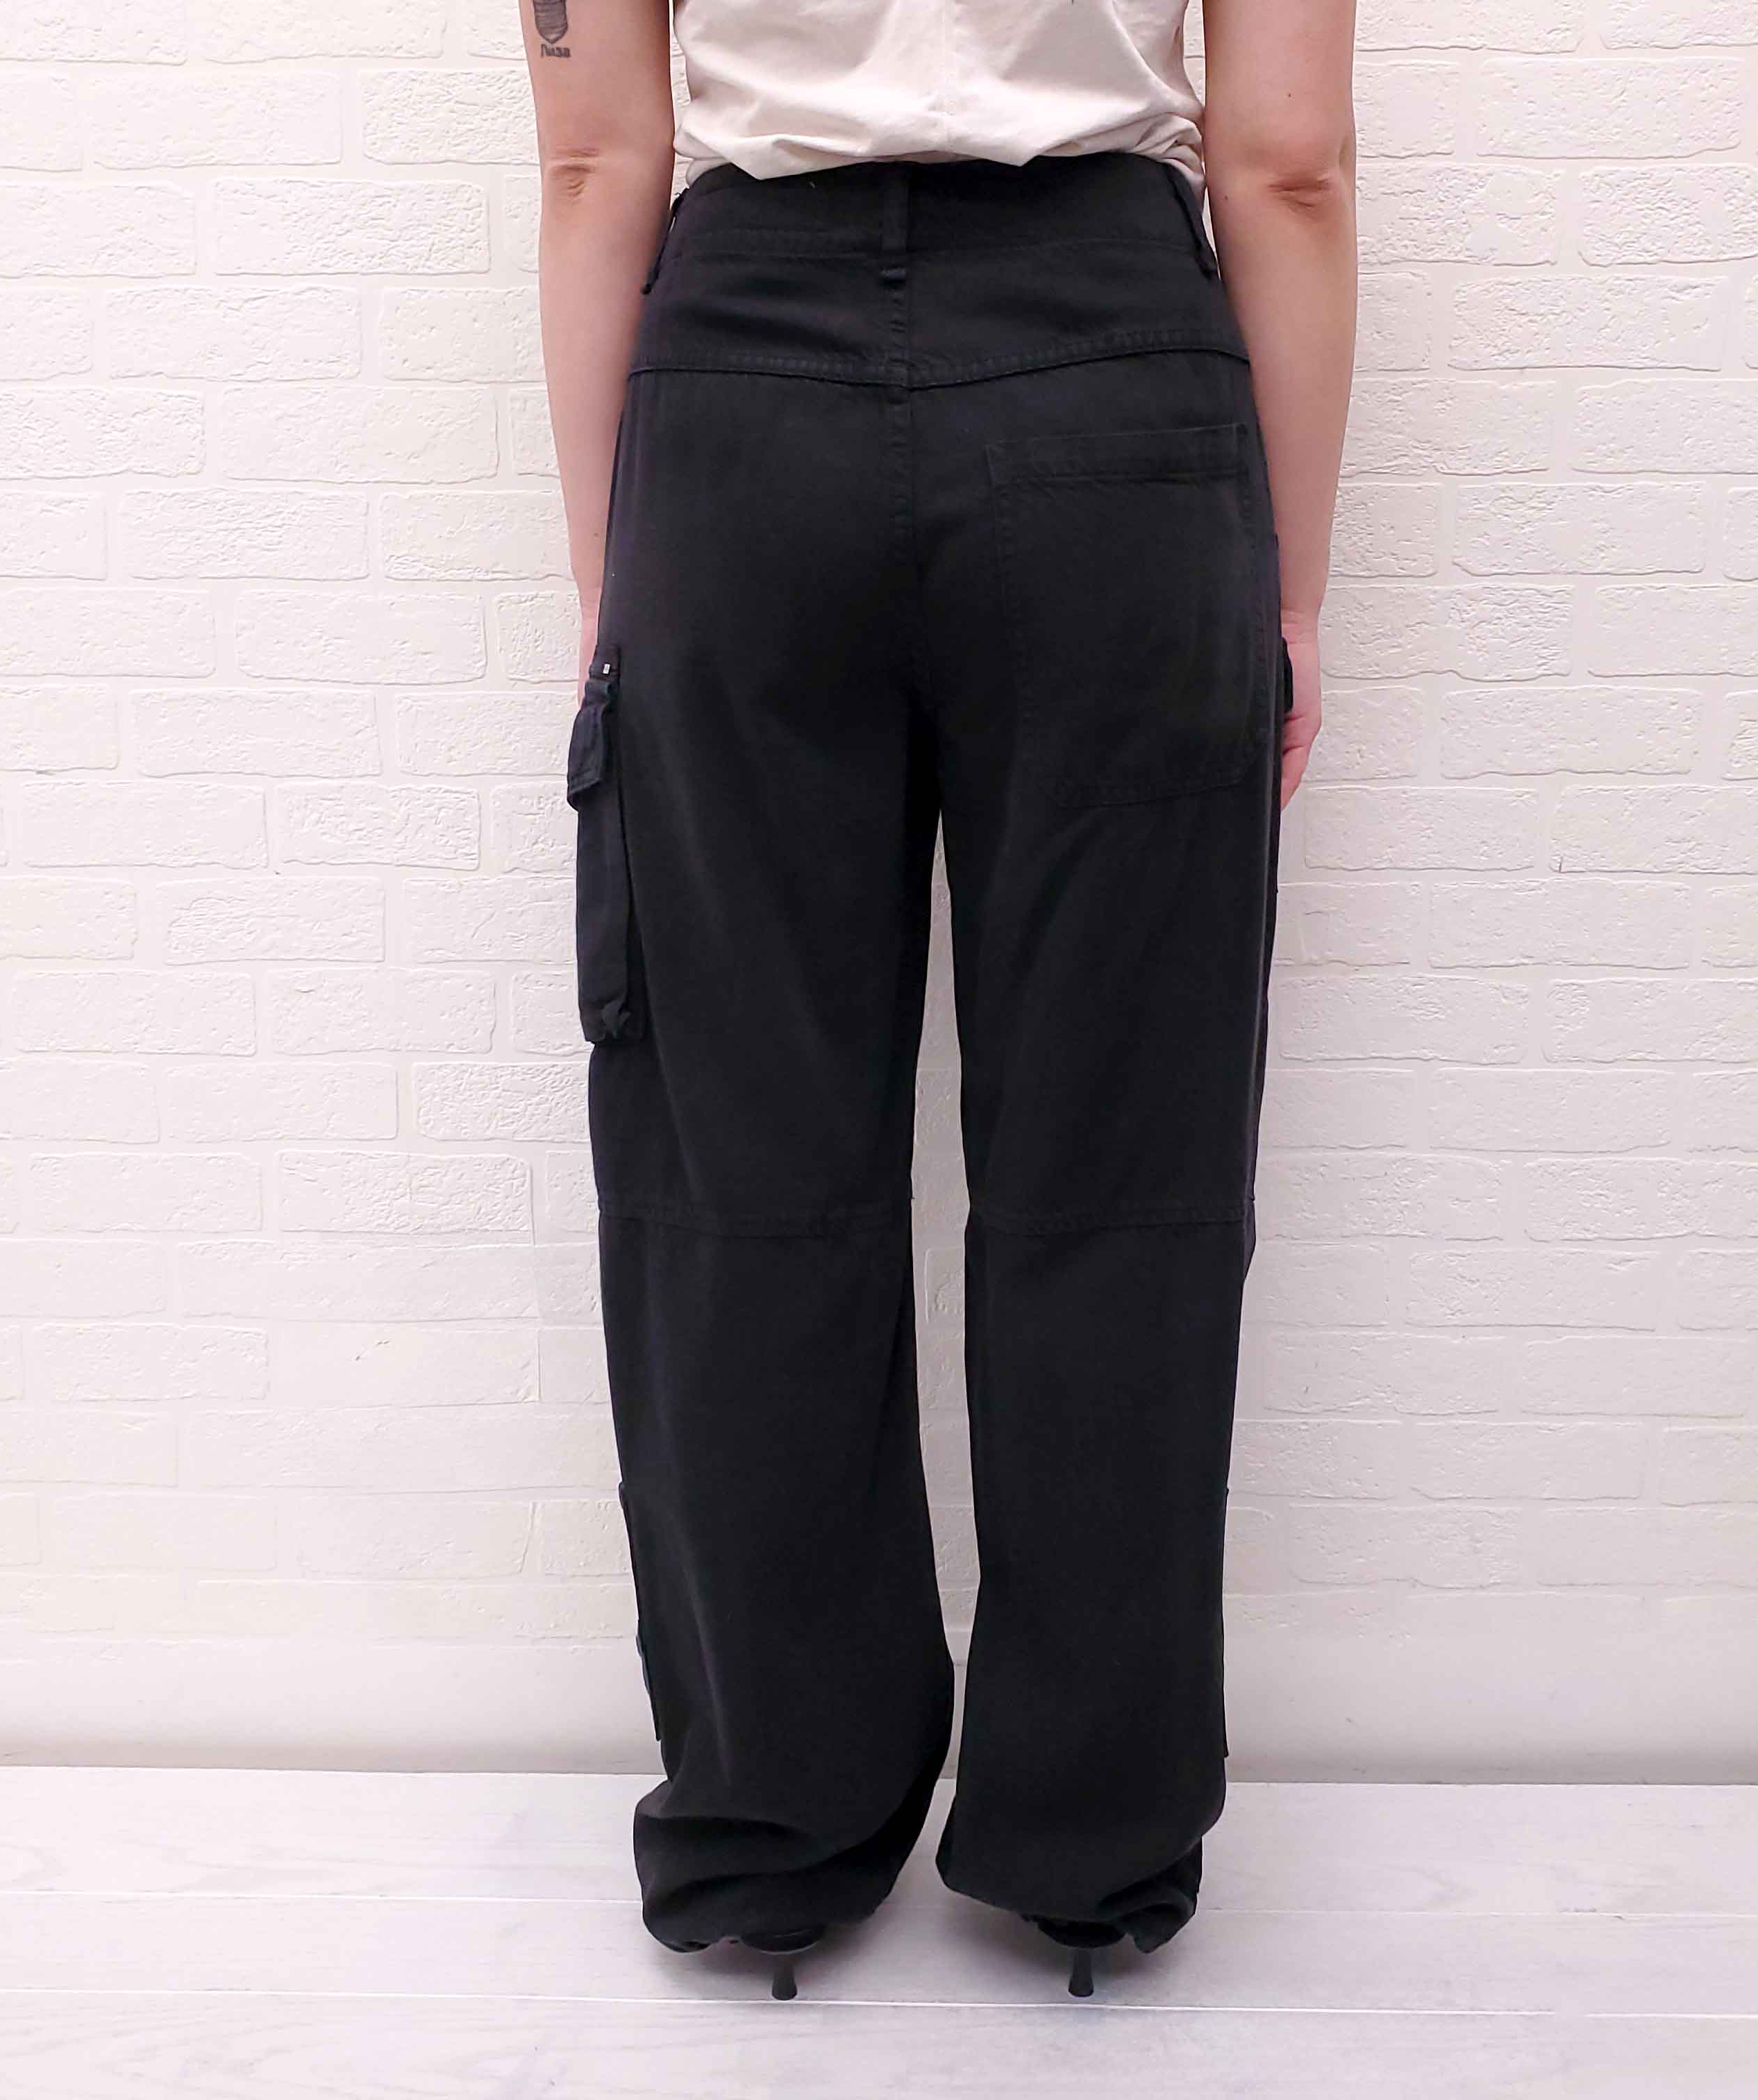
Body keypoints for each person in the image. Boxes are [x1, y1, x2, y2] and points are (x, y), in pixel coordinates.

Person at [520, 0, 1355, 2001]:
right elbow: (1287, 167)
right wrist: (1292, 591)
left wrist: (620, 580)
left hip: (741, 418)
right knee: (1120, 1165)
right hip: (1116, 405)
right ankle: (1094, 1839)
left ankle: (771, 1833)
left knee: (741, 1158)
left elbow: (595, 161)